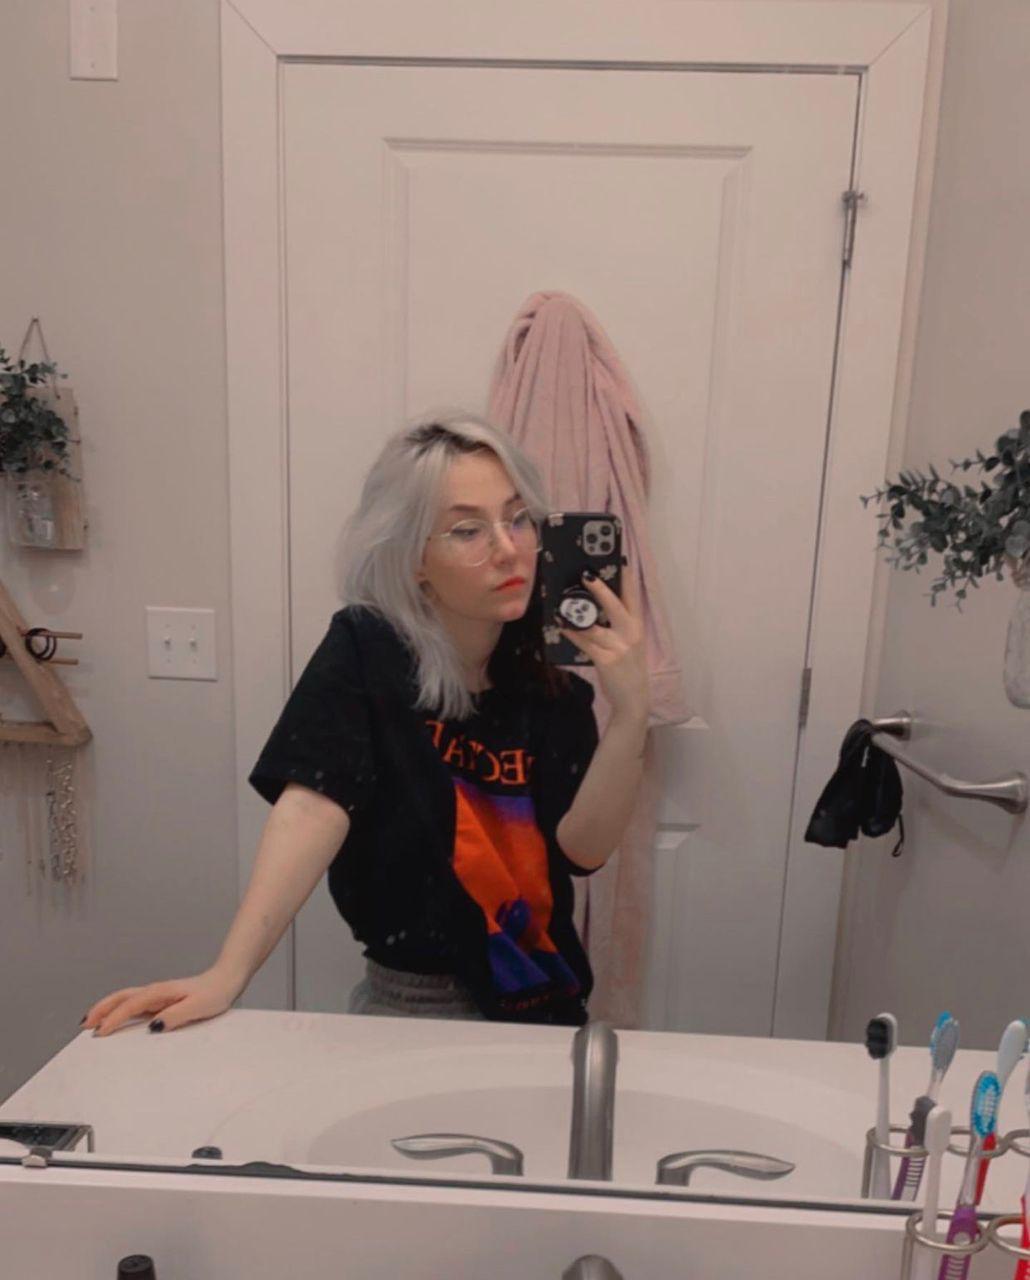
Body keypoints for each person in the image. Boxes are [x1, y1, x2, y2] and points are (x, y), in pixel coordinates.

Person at [83, 414, 649, 1034]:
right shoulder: (368, 648)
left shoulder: (550, 686)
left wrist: (630, 714)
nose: (509, 548)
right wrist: (228, 974)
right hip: (413, 1004)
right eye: (468, 530)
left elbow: (582, 850)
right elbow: (313, 805)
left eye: (518, 518)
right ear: (413, 560)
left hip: (547, 1004)